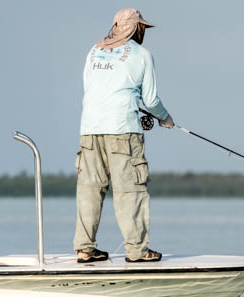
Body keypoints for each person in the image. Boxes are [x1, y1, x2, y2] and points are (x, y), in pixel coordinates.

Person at [74, 8, 173, 263]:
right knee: (130, 190)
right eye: (142, 28)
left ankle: (84, 249)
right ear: (135, 28)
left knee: (89, 189)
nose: (143, 32)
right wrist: (165, 117)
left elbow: (91, 88)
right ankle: (138, 251)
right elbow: (150, 100)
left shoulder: (93, 51)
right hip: (123, 130)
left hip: (90, 128)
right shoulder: (142, 55)